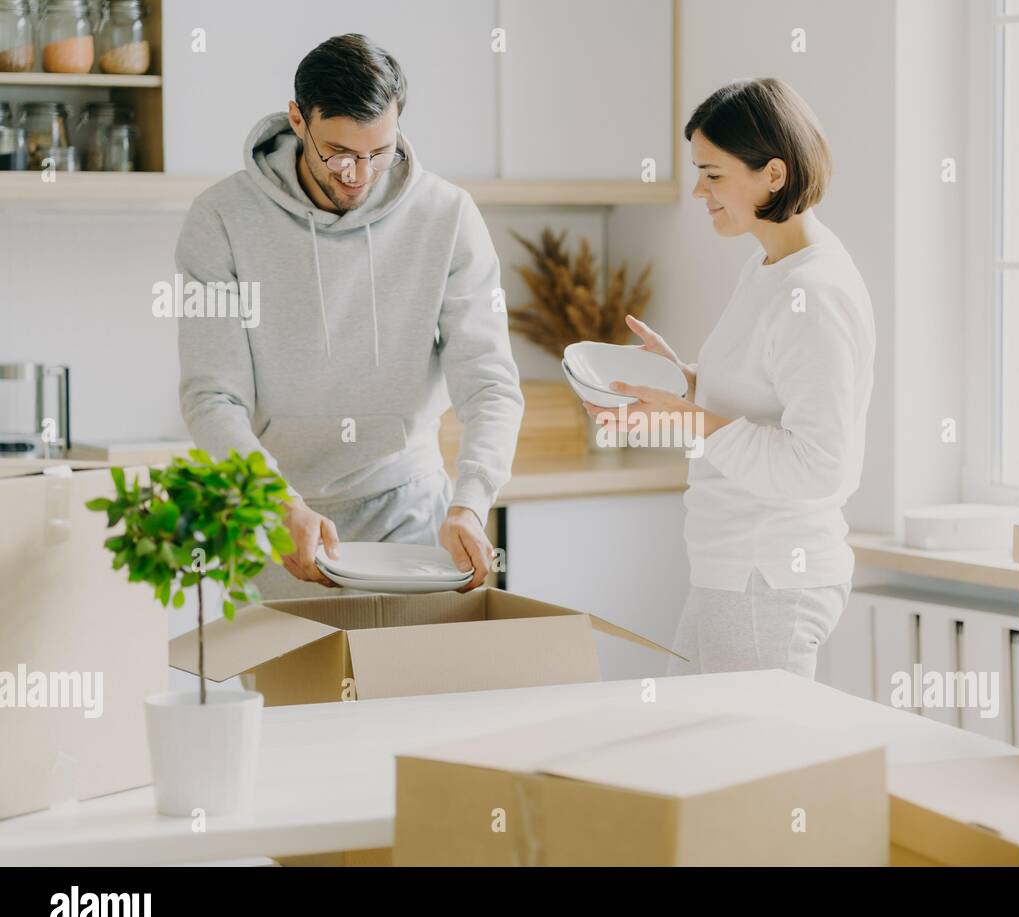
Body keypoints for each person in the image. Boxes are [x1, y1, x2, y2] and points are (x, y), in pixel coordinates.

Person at [175, 34, 523, 599]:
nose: (358, 174)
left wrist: (471, 501)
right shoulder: (221, 219)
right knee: (296, 688)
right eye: (338, 152)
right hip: (281, 519)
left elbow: (489, 385)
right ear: (297, 120)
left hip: (411, 513)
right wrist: (276, 503)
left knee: (414, 684)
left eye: (377, 153)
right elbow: (212, 397)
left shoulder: (448, 215)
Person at [588, 78, 875, 678]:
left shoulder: (812, 293)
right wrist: (686, 384)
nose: (699, 190)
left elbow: (821, 466)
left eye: (713, 175)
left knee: (745, 761)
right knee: (696, 754)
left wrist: (690, 419)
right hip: (735, 570)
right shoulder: (769, 267)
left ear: (773, 174)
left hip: (768, 573)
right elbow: (760, 401)